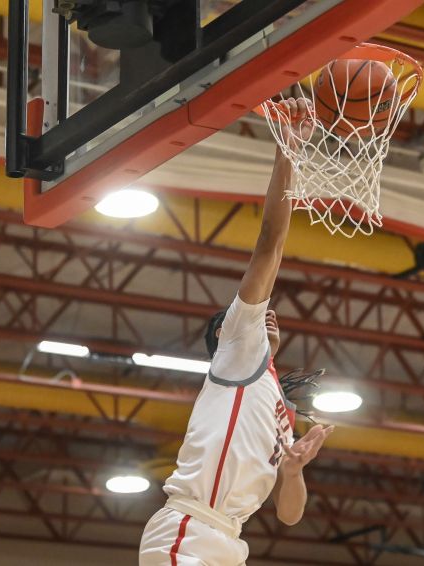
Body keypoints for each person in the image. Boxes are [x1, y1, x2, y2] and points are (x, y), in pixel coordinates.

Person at [140, 97, 334, 566]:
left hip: (231, 541)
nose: (268, 314)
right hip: (187, 528)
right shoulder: (238, 350)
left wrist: (292, 473)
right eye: (252, 313)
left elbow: (290, 517)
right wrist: (288, 152)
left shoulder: (278, 412)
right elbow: (270, 244)